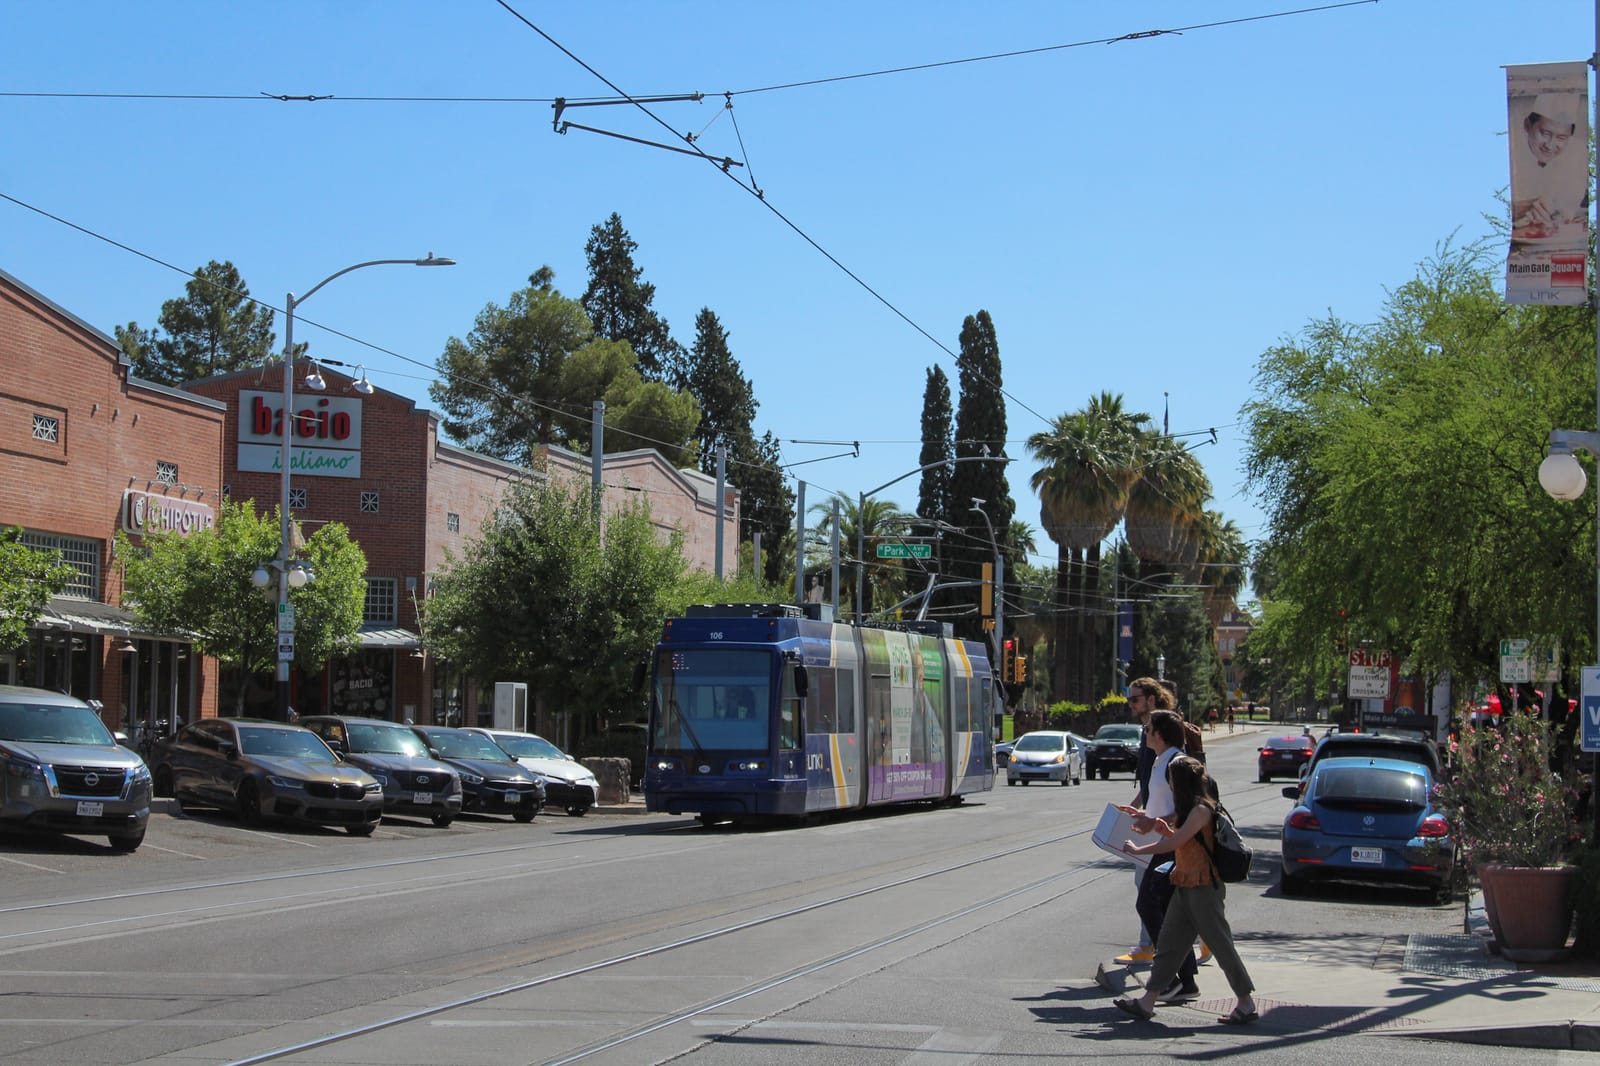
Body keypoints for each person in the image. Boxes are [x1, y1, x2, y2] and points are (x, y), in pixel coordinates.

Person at [1114, 756, 1259, 1026]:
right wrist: (1163, 828)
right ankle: (1147, 1001)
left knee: (1221, 945)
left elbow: (1176, 842)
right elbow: (1182, 839)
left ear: (1179, 781)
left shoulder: (1202, 809)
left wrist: (1138, 849)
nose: (1168, 784)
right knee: (1169, 945)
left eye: (1170, 778)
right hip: (1184, 883)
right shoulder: (1190, 809)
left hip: (1203, 888)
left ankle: (1246, 1002)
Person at [1116, 710, 1200, 1001]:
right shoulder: (1159, 760)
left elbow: (1191, 809)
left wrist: (1156, 821)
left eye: (1149, 729)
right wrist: (1143, 814)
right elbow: (1163, 805)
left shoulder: (1177, 763)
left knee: (1150, 905)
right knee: (1166, 913)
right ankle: (1184, 981)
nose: (1145, 732)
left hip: (1174, 848)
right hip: (1161, 846)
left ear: (1160, 735)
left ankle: (1172, 979)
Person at [1114, 677, 1172, 963]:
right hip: (1154, 816)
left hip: (1165, 821)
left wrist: (1155, 816)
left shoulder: (1164, 729)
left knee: (1148, 886)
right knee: (1160, 886)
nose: (1130, 704)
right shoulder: (1147, 732)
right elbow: (1150, 780)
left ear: (1151, 699)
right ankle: (1201, 938)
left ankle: (1149, 946)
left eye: (1135, 699)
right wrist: (1136, 805)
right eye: (1129, 699)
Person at [1511, 93, 1587, 240]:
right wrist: (1525, 207)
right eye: (1545, 133)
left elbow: (1569, 208)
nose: (1550, 145)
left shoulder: (1577, 152)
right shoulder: (1512, 146)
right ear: (1527, 125)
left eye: (1561, 138)